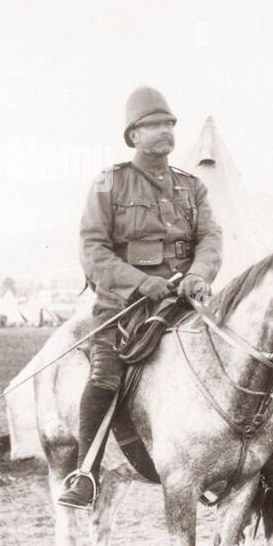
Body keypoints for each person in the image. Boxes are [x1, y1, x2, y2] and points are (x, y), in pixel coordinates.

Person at [57, 86, 223, 509]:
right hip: (125, 306)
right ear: (133, 135)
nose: (165, 130)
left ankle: (272, 457)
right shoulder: (108, 185)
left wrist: (198, 276)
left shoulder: (192, 187)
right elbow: (93, 250)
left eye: (169, 123)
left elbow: (210, 238)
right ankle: (86, 472)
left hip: (185, 300)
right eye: (154, 124)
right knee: (104, 377)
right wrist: (140, 283)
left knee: (239, 356)